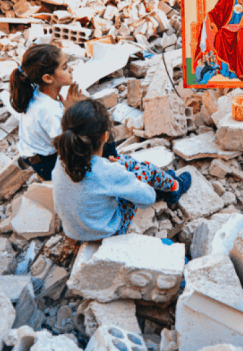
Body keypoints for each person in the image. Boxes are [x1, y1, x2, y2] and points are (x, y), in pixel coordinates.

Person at [52, 99, 192, 241]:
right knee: (145, 169)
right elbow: (148, 199)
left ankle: (162, 184)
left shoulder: (61, 160)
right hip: (107, 232)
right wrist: (122, 174)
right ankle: (175, 187)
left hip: (73, 231)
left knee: (123, 161)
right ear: (105, 136)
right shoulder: (108, 172)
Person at [11, 44, 87, 181]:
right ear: (47, 78)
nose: (71, 69)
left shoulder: (40, 92)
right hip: (45, 163)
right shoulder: (47, 110)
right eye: (64, 67)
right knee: (96, 143)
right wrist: (73, 111)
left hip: (36, 156)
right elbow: (68, 145)